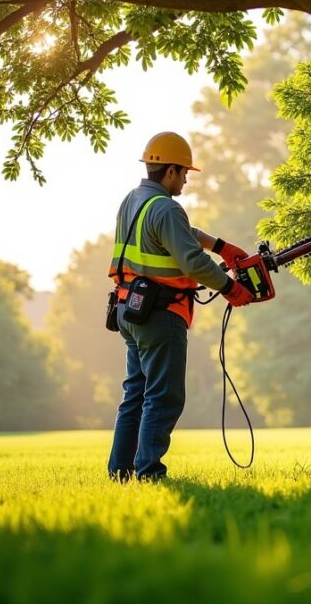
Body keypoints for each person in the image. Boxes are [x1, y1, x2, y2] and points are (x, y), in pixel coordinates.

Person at [106, 131, 254, 482]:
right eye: (184, 172)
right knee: (163, 396)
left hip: (129, 309)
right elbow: (193, 263)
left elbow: (178, 230)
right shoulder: (168, 207)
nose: (186, 179)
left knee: (135, 395)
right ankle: (149, 473)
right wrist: (232, 288)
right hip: (160, 315)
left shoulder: (134, 199)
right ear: (169, 171)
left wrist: (220, 245)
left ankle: (120, 471)